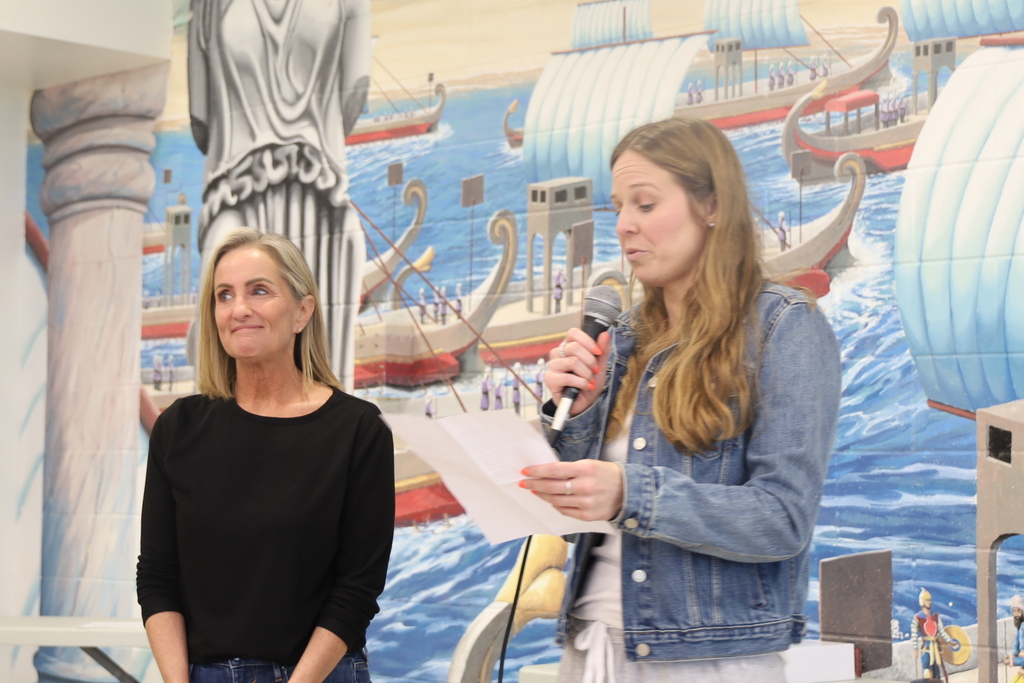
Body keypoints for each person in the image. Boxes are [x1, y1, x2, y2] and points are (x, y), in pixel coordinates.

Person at [520, 118, 841, 682]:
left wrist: (631, 493)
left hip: (707, 660)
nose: (624, 226)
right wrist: (573, 414)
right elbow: (572, 526)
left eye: (644, 204)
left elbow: (783, 519)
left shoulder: (783, 329)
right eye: (618, 207)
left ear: (711, 206)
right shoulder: (619, 340)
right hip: (589, 650)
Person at [137, 227, 395, 683]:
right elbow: (158, 575)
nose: (239, 309)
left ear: (302, 312)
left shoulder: (358, 430)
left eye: (259, 291)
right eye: (224, 295)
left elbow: (357, 589)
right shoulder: (177, 428)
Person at [911, 588, 953, 679]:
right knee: (927, 673)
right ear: (922, 602)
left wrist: (950, 641)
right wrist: (915, 648)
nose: (929, 602)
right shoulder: (917, 617)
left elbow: (941, 631)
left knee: (936, 674)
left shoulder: (936, 616)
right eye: (927, 600)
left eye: (930, 600)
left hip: (936, 648)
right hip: (926, 648)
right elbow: (914, 634)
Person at [1003, 594, 1024, 668]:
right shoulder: (1020, 627)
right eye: (1014, 611)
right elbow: (1017, 642)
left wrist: (1014, 661)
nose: (1016, 614)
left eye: (1018, 611)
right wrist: (1014, 655)